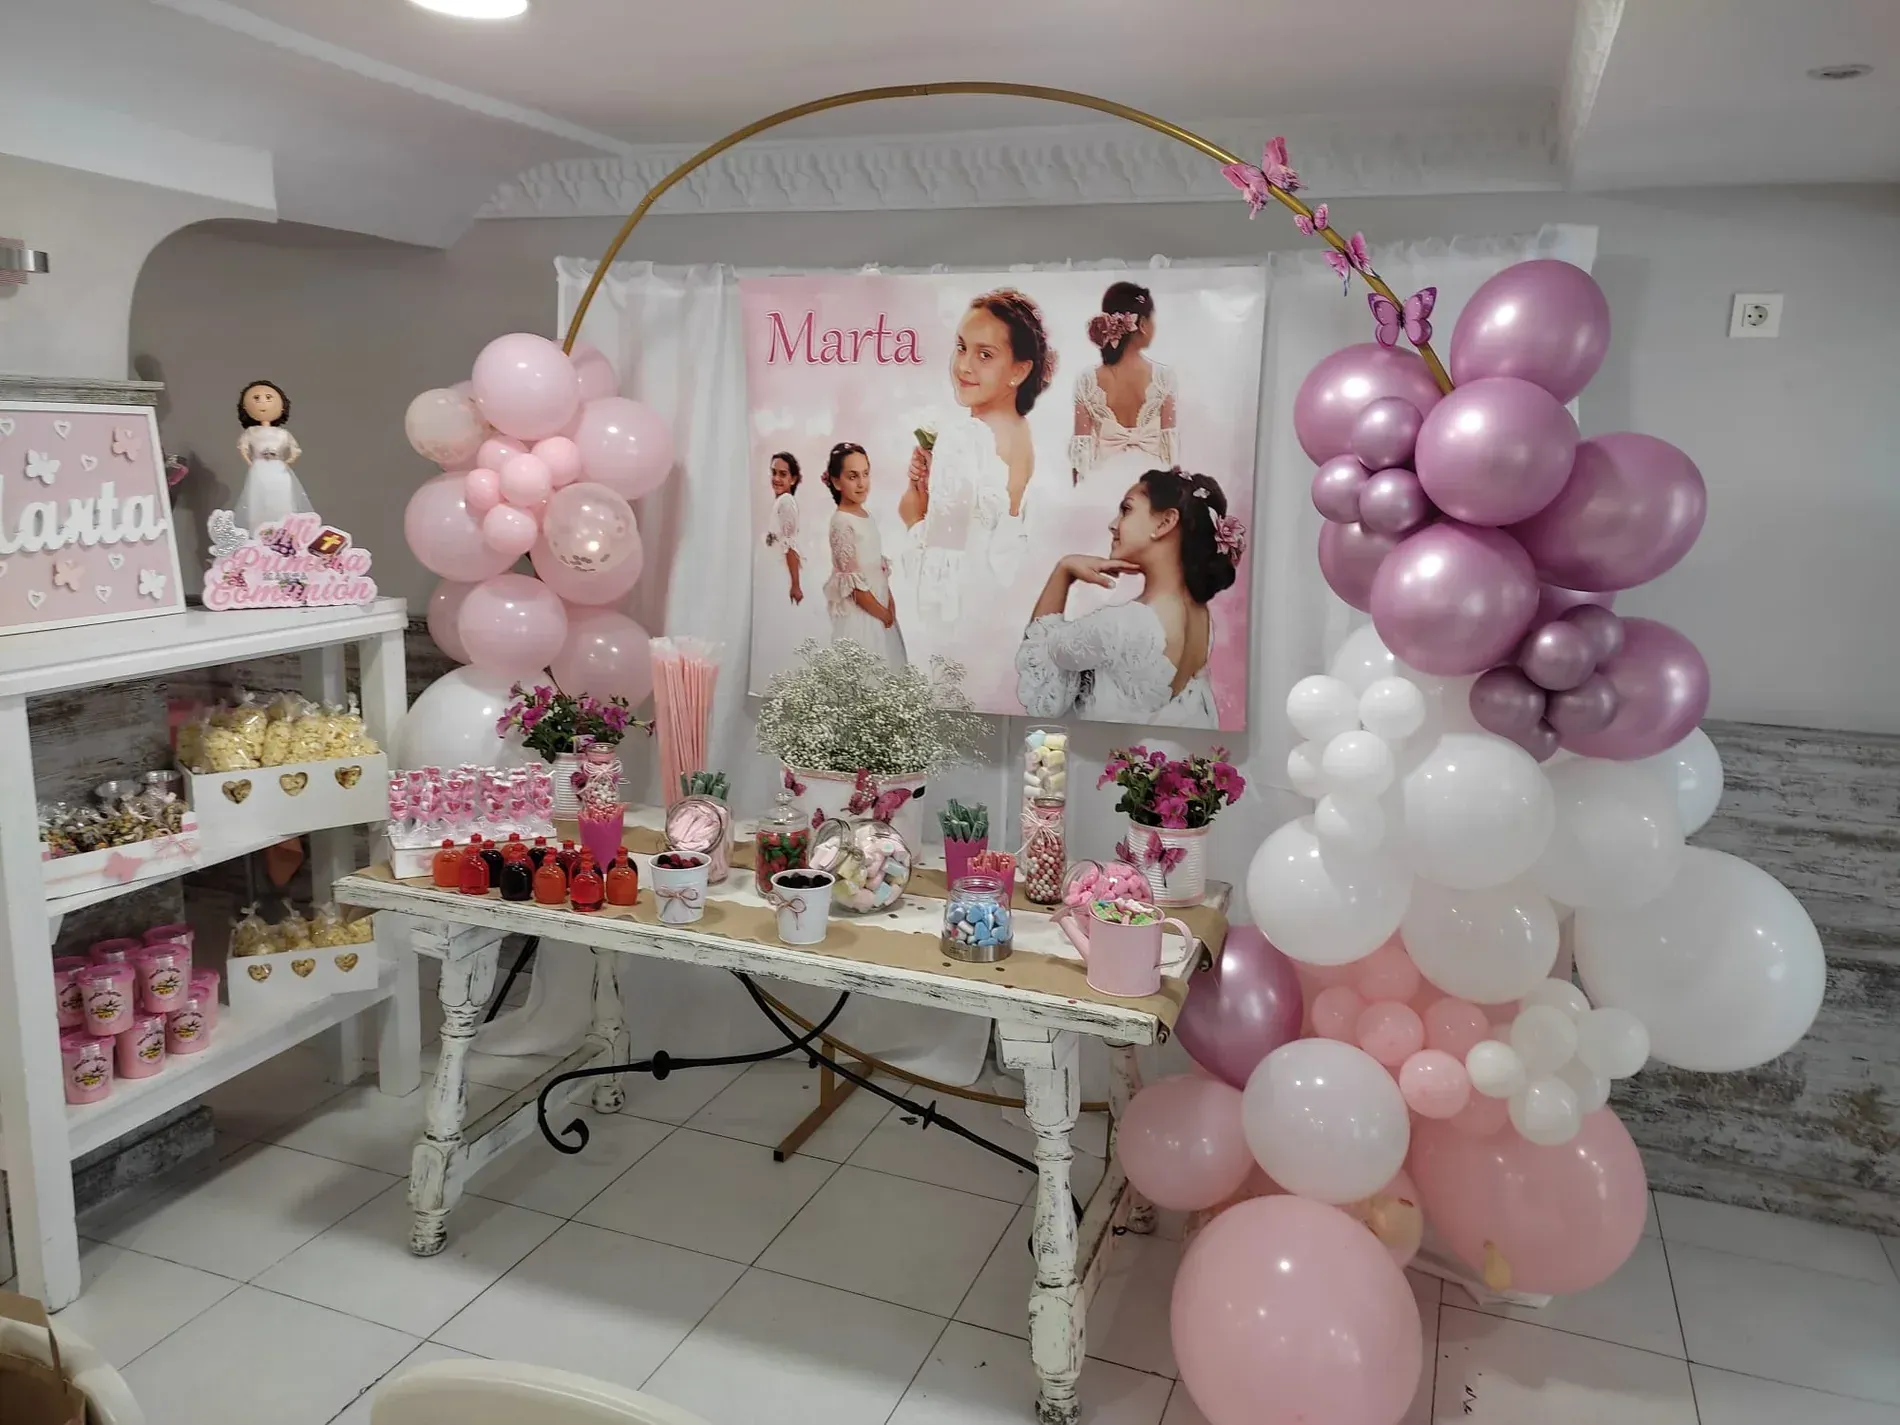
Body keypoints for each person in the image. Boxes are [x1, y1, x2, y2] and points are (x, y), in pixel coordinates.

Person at [894, 288, 1055, 667]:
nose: (964, 365)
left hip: (954, 632)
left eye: (985, 355)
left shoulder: (965, 437)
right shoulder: (1024, 435)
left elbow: (936, 573)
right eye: (961, 347)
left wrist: (914, 515)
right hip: (998, 626)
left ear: (1020, 369)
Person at [1016, 468, 1244, 727]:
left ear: (1165, 523)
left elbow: (1040, 663)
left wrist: (1064, 570)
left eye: (1126, 510)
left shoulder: (1124, 624)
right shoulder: (1202, 618)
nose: (1113, 524)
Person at [1071, 281, 1177, 484]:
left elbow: (1081, 451)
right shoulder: (1165, 377)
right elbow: (1170, 450)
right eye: (1153, 319)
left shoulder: (1087, 379)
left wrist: (1081, 495)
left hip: (1102, 483)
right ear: (1143, 325)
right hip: (1152, 491)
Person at [822, 442, 906, 666]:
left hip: (879, 604)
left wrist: (889, 603)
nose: (862, 484)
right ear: (836, 481)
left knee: (887, 663)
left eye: (865, 474)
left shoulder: (865, 515)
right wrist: (882, 613)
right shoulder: (841, 522)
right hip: (862, 613)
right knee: (866, 667)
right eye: (852, 477)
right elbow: (852, 586)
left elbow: (875, 567)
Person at [232, 379, 313, 534]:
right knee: (259, 500)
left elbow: (295, 450)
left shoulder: (283, 434)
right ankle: (261, 535)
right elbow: (243, 447)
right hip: (260, 468)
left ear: (282, 406)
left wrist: (287, 462)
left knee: (282, 500)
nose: (263, 403)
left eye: (269, 398)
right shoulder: (251, 432)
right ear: (245, 406)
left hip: (278, 469)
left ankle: (284, 534)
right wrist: (251, 462)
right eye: (256, 399)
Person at [763, 451, 805, 604]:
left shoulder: (786, 502)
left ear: (793, 479)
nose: (776, 479)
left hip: (782, 572)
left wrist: (795, 585)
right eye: (773, 473)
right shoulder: (780, 502)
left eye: (782, 474)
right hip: (776, 568)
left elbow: (789, 545)